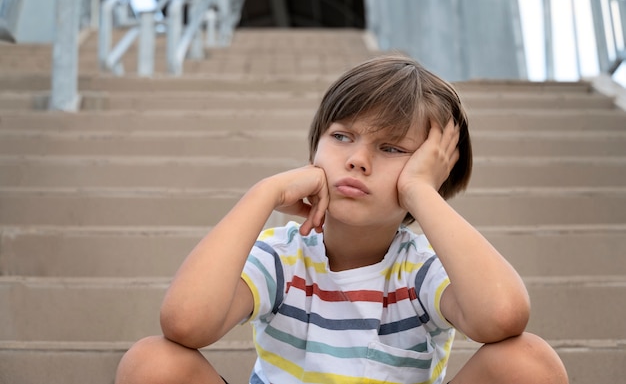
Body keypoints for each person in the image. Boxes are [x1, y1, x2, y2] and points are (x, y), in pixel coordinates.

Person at [115, 55, 569, 384]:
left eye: (391, 148)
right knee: (154, 362)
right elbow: (184, 324)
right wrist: (263, 194)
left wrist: (420, 193)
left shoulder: (421, 268)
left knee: (526, 361)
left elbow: (503, 317)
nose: (357, 159)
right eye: (341, 136)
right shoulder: (283, 255)